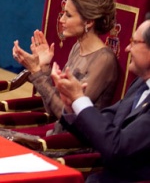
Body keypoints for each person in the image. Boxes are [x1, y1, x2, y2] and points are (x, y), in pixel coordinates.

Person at [12, 0, 118, 135]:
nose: (61, 20)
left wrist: (36, 72)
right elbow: (52, 108)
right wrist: (44, 67)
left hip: (76, 146)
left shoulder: (104, 60)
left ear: (88, 21)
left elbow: (67, 114)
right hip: (58, 133)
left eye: (68, 15)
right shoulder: (77, 48)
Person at [52, 18, 150, 183]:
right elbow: (104, 126)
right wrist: (72, 107)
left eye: (134, 42)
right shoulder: (140, 84)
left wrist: (79, 98)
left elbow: (116, 147)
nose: (127, 48)